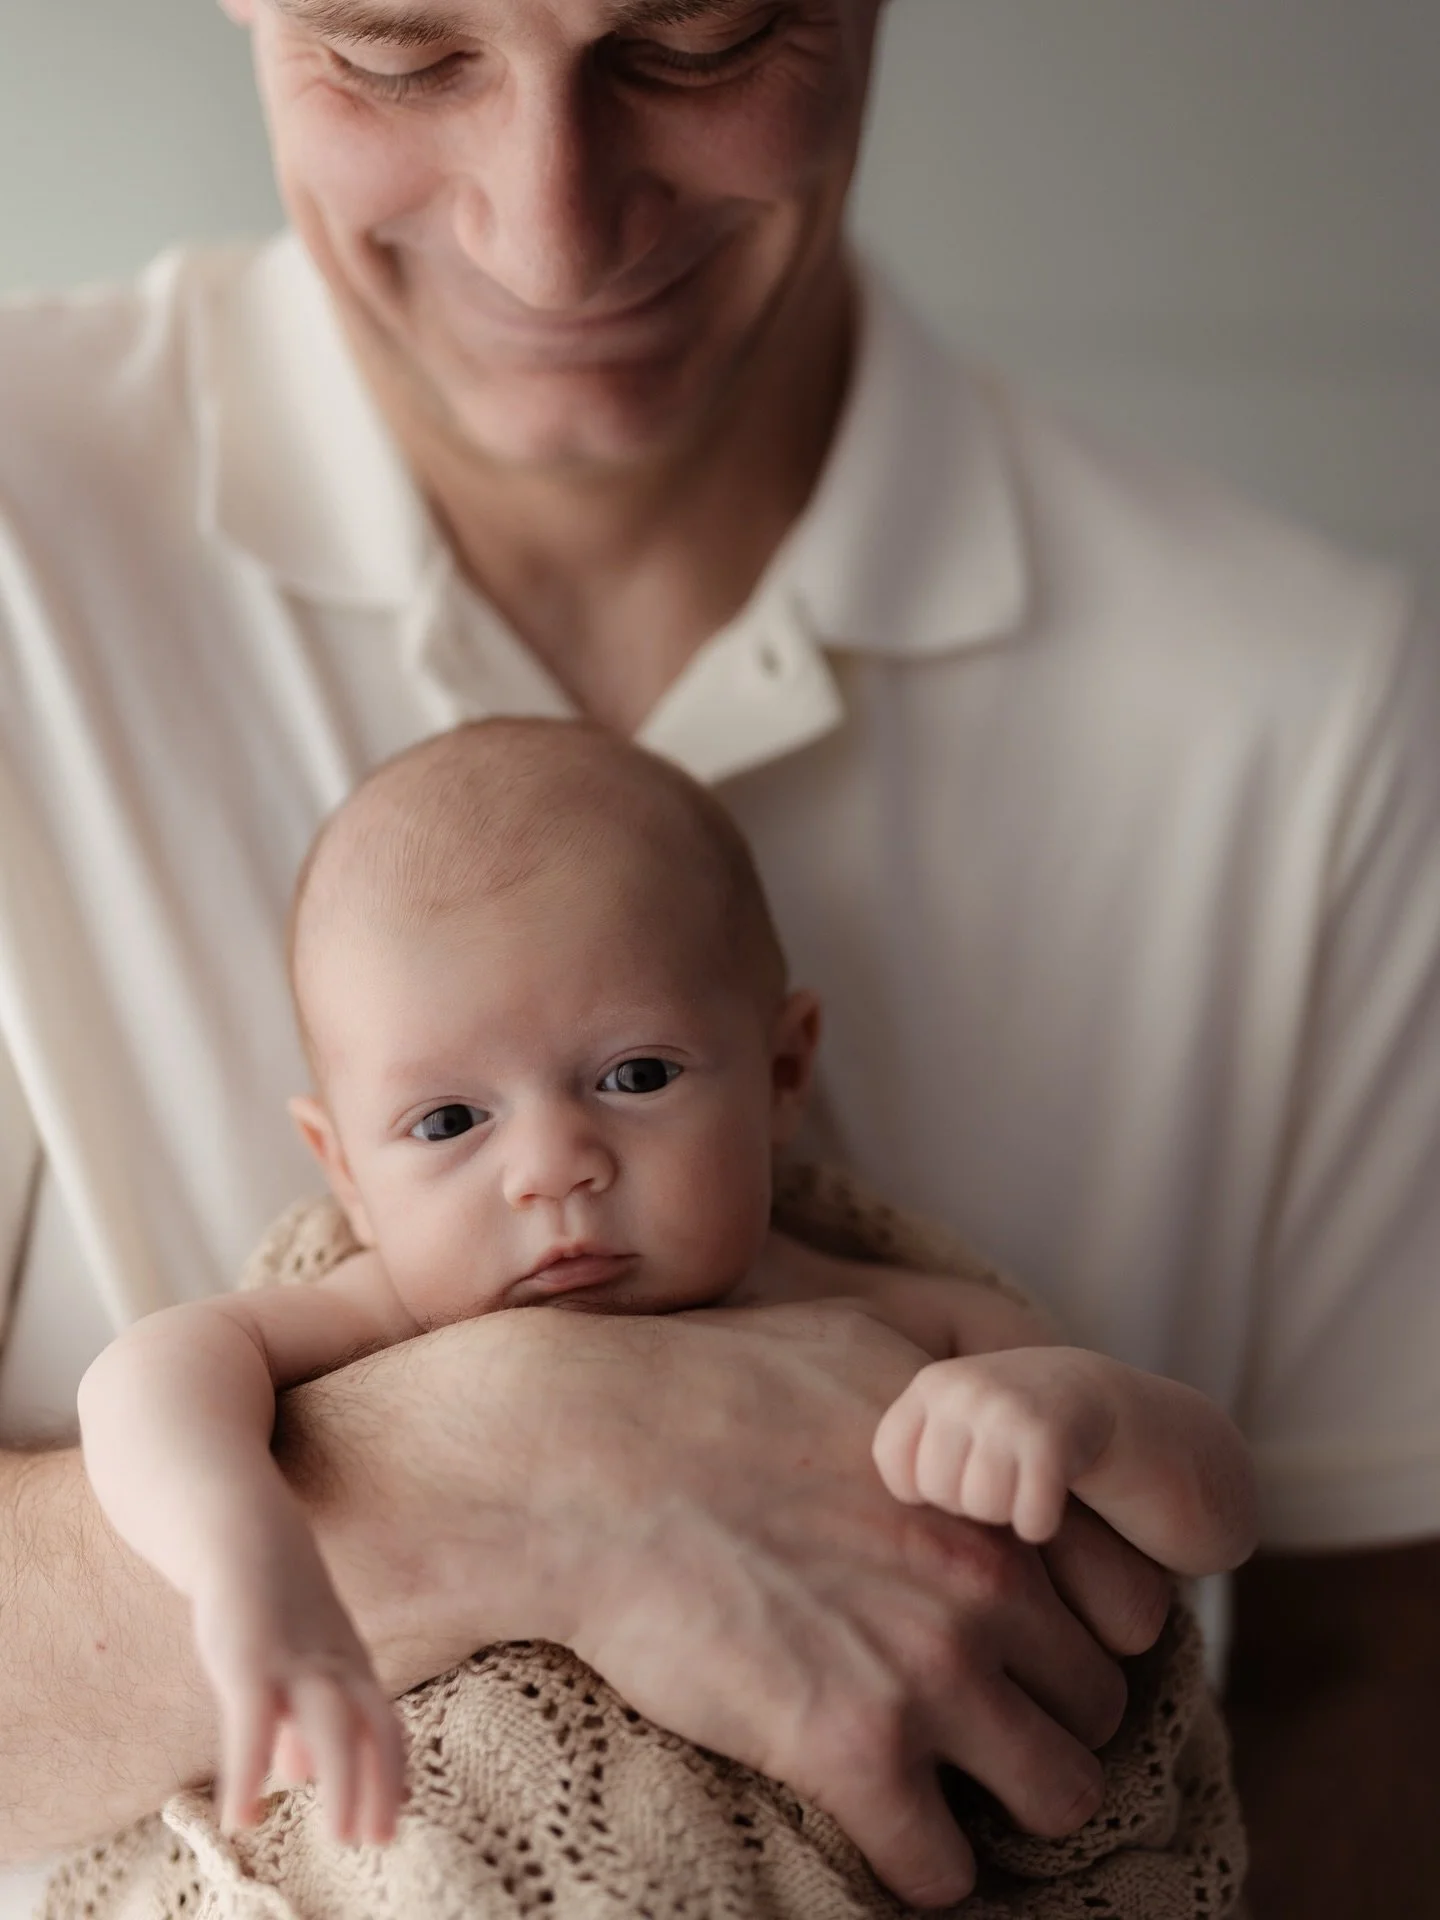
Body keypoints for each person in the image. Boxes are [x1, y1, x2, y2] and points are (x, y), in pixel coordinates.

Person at [0, 1, 1436, 1914]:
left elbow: (1380, 1685)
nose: (551, 235)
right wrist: (511, 1475)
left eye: (693, 40)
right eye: (400, 53)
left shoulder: (1317, 717)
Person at [76, 717, 1258, 1855]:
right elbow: (152, 1374)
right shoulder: (382, 1311)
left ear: (783, 1070)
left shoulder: (894, 1319)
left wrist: (1086, 1419)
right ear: (342, 1166)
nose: (551, 1168)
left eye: (635, 1074)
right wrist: (243, 1553)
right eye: (447, 1120)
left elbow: (1212, 1522)